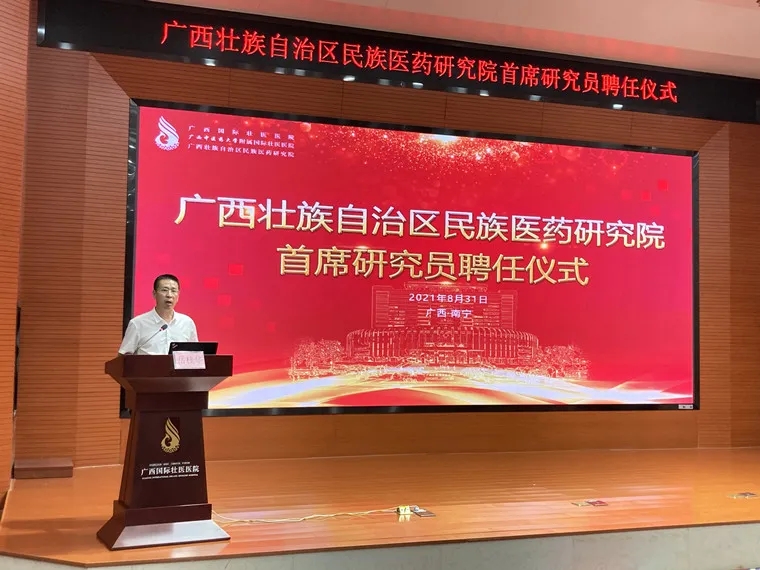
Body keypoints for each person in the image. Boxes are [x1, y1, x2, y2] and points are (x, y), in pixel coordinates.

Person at [118, 274, 198, 355]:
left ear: (178, 295)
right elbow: (123, 356)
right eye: (164, 290)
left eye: (173, 291)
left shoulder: (187, 323)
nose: (169, 295)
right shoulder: (138, 324)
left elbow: (196, 354)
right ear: (154, 294)